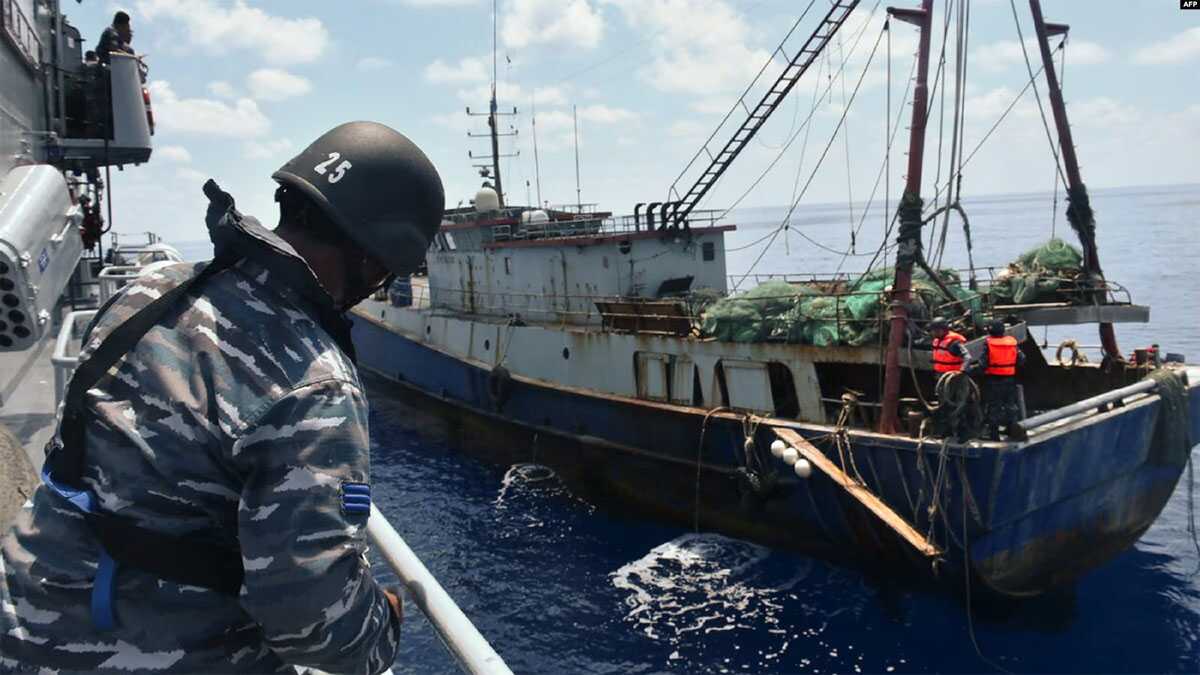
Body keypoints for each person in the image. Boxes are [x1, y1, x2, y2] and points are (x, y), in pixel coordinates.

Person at [0, 122, 445, 673]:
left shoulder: (148, 289)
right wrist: (383, 623)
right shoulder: (315, 381)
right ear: (375, 262)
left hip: (23, 620)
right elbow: (313, 623)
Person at [970, 319, 1026, 440]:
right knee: (1010, 405)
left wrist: (970, 370)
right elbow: (1021, 359)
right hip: (1009, 379)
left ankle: (993, 434)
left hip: (994, 380)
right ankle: (1012, 429)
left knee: (994, 406)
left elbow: (982, 365)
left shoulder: (989, 343)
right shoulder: (1012, 342)